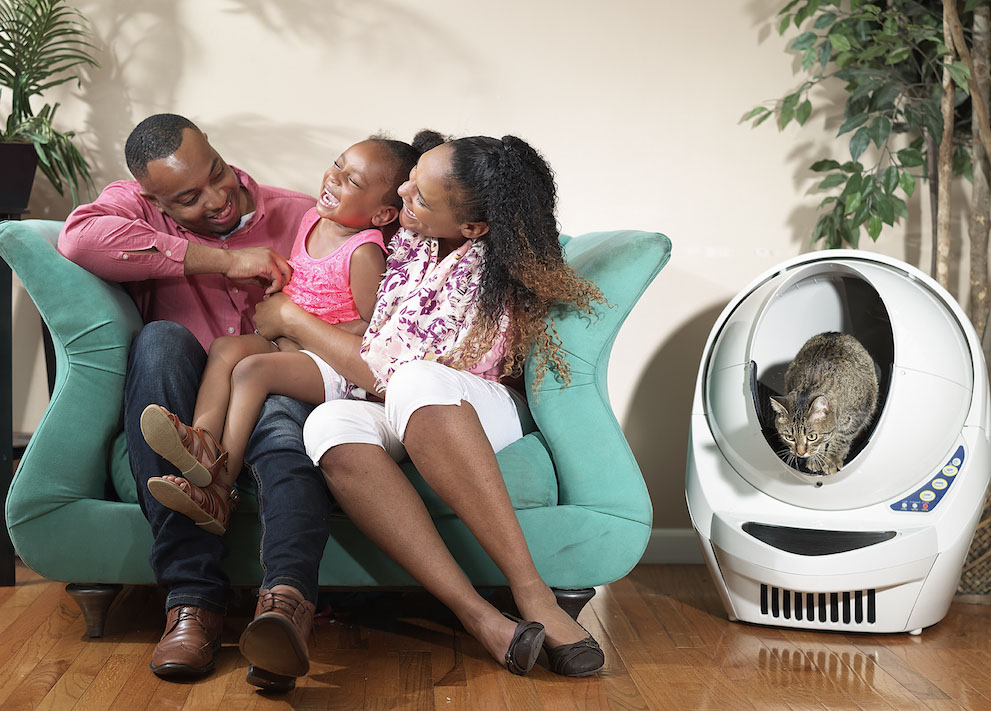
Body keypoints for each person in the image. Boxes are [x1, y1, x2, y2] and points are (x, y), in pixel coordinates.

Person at [57, 114, 409, 691]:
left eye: (217, 173)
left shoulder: (303, 214)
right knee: (160, 341)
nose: (218, 198)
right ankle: (192, 600)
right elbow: (78, 239)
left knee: (278, 422)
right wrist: (223, 260)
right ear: (152, 198)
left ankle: (285, 607)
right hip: (189, 385)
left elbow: (387, 288)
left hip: (280, 375)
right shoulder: (134, 208)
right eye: (189, 198)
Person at [253, 132, 608, 678]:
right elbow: (375, 349)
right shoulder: (410, 245)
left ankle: (532, 591)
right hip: (404, 402)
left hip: (477, 406)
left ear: (472, 227)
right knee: (328, 423)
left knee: (419, 379)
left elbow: (386, 369)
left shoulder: (484, 265)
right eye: (410, 178)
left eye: (418, 194)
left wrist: (294, 320)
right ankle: (477, 615)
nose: (402, 193)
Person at [137, 136, 416, 536]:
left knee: (251, 372)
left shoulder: (363, 252)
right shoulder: (311, 219)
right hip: (289, 344)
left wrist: (303, 328)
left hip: (330, 365)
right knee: (226, 347)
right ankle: (200, 441)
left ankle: (220, 485)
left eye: (352, 181)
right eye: (337, 165)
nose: (334, 179)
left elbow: (375, 327)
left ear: (382, 213)